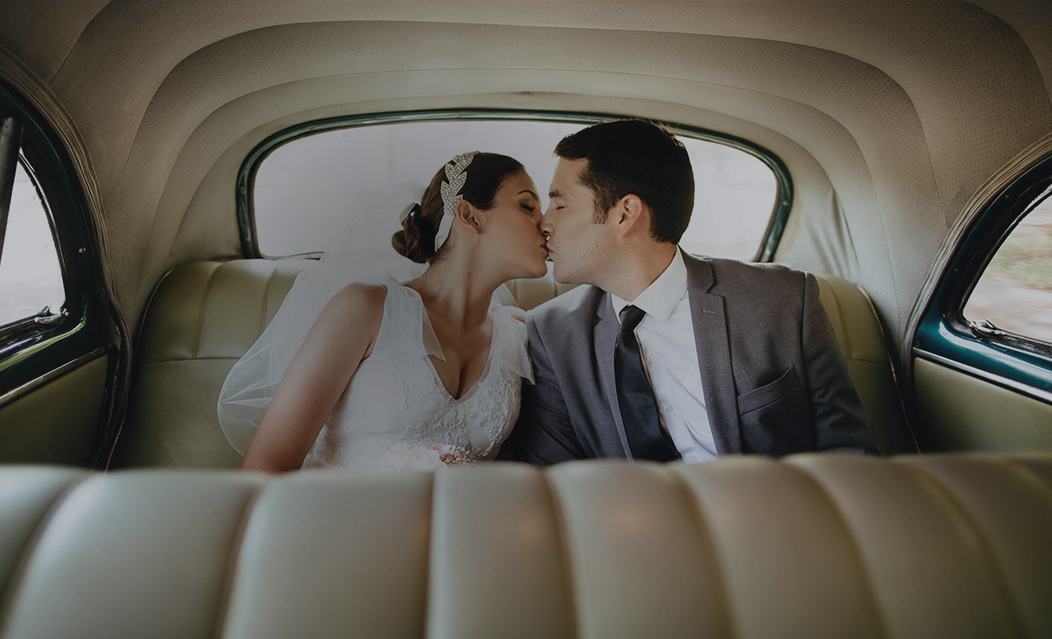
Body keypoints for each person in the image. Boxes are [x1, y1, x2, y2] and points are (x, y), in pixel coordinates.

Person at [499, 120, 878, 464]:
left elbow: (849, 455)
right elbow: (554, 480)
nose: (544, 223)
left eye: (560, 204)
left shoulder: (783, 300)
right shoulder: (551, 334)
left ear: (625, 214)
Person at [219, 152, 548, 472]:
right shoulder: (366, 309)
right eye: (527, 206)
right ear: (469, 215)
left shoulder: (520, 335)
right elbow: (265, 468)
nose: (545, 224)